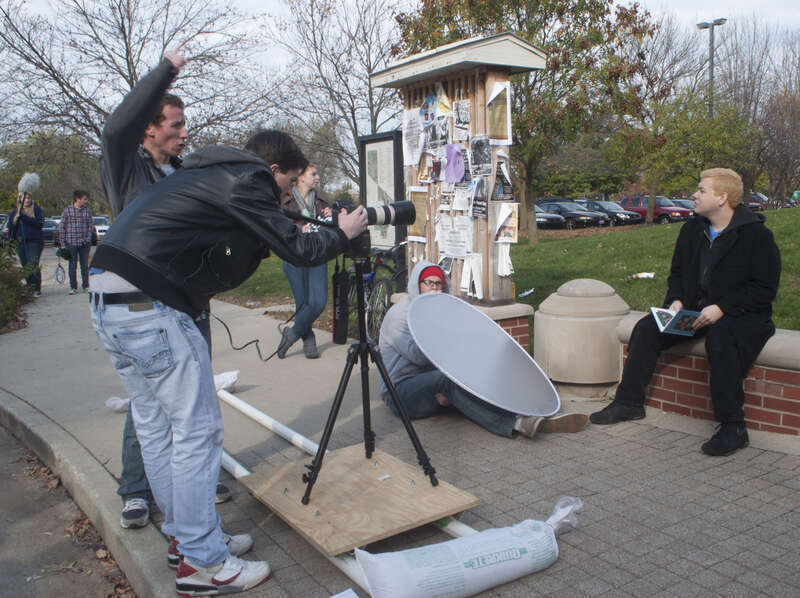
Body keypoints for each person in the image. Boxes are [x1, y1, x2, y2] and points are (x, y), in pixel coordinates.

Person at [89, 129, 367, 594]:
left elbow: (228, 266)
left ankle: (186, 541)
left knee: (157, 428)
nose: (288, 197)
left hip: (110, 300)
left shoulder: (208, 175)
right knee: (197, 433)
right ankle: (202, 564)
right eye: (289, 184)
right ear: (272, 170)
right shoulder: (249, 181)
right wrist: (344, 234)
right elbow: (298, 251)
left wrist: (274, 228)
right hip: (151, 307)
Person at [590, 168, 781, 457]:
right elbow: (677, 274)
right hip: (694, 312)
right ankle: (629, 404)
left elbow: (764, 288)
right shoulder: (692, 229)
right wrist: (676, 300)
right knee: (646, 328)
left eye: (702, 190)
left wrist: (722, 309)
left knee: (722, 341)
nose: (695, 194)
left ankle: (733, 427)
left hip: (740, 315)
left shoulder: (757, 236)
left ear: (722, 197)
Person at [379, 261, 588, 438]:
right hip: (400, 391)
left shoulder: (441, 312)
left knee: (475, 378)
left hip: (432, 384)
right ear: (417, 285)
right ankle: (515, 424)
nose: (435, 288)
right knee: (449, 382)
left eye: (439, 284)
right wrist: (444, 378)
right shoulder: (399, 317)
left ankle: (527, 411)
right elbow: (419, 356)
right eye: (429, 283)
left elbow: (457, 349)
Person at [276, 163, 331, 359]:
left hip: (317, 254)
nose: (317, 178)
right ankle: (309, 339)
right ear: (300, 177)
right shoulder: (285, 199)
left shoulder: (322, 199)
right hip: (294, 256)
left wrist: (330, 217)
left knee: (318, 302)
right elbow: (277, 227)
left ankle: (291, 334)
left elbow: (331, 227)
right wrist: (297, 230)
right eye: (313, 174)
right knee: (302, 303)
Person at [8, 190, 45, 298]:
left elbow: (39, 224)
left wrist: (24, 217)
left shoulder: (37, 210)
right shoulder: (14, 212)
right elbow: (11, 229)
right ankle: (30, 287)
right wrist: (11, 241)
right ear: (20, 199)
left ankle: (36, 288)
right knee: (25, 266)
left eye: (29, 198)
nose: (27, 200)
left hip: (35, 241)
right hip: (20, 242)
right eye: (25, 198)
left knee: (32, 264)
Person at [58, 190, 93, 294]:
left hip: (84, 243)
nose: (86, 201)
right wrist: (63, 244)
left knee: (84, 266)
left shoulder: (87, 210)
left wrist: (88, 239)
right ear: (78, 199)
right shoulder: (67, 211)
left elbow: (90, 226)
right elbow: (62, 228)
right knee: (72, 266)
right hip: (71, 242)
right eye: (84, 199)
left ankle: (86, 285)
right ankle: (73, 287)